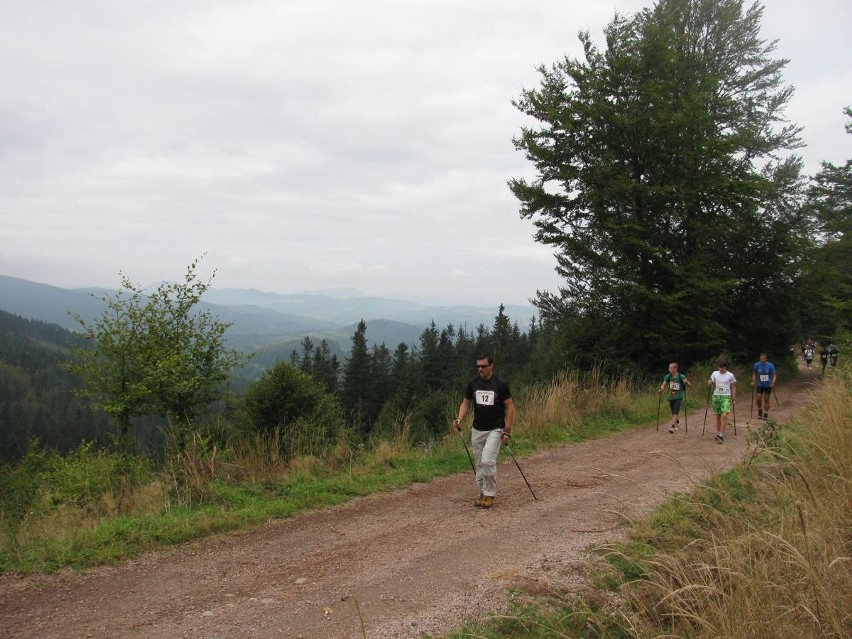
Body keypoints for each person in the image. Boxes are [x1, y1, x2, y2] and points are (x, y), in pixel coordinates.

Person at [453, 354, 515, 509]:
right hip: (477, 429)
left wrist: (507, 431)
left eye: (483, 366)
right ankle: (482, 492)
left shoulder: (500, 384)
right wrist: (459, 418)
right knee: (479, 463)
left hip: (495, 428)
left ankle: (489, 494)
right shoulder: (473, 384)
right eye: (478, 366)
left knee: (487, 460)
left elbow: (510, 407)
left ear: (491, 366)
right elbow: (466, 403)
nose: (480, 369)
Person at [708, 361, 737, 444]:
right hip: (716, 396)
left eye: (722, 367)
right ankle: (718, 432)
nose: (720, 369)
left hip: (726, 396)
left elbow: (733, 387)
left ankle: (721, 434)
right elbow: (710, 381)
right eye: (719, 367)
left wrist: (734, 398)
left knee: (724, 415)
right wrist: (709, 383)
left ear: (725, 367)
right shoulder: (714, 373)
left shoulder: (730, 375)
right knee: (718, 415)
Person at [658, 362, 691, 433]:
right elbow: (664, 384)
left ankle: (672, 427)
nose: (669, 369)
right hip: (671, 397)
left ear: (675, 368)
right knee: (673, 413)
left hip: (679, 397)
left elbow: (689, 385)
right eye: (669, 368)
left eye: (670, 368)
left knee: (676, 411)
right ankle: (677, 422)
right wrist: (661, 389)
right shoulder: (668, 376)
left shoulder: (681, 376)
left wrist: (686, 382)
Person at [751, 353, 777, 420]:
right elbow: (754, 373)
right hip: (760, 384)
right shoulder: (757, 365)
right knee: (758, 398)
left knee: (766, 398)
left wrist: (773, 382)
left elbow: (775, 374)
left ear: (766, 359)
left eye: (763, 359)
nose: (762, 360)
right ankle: (760, 410)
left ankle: (765, 413)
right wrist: (754, 381)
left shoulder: (770, 365)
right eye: (761, 359)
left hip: (768, 385)